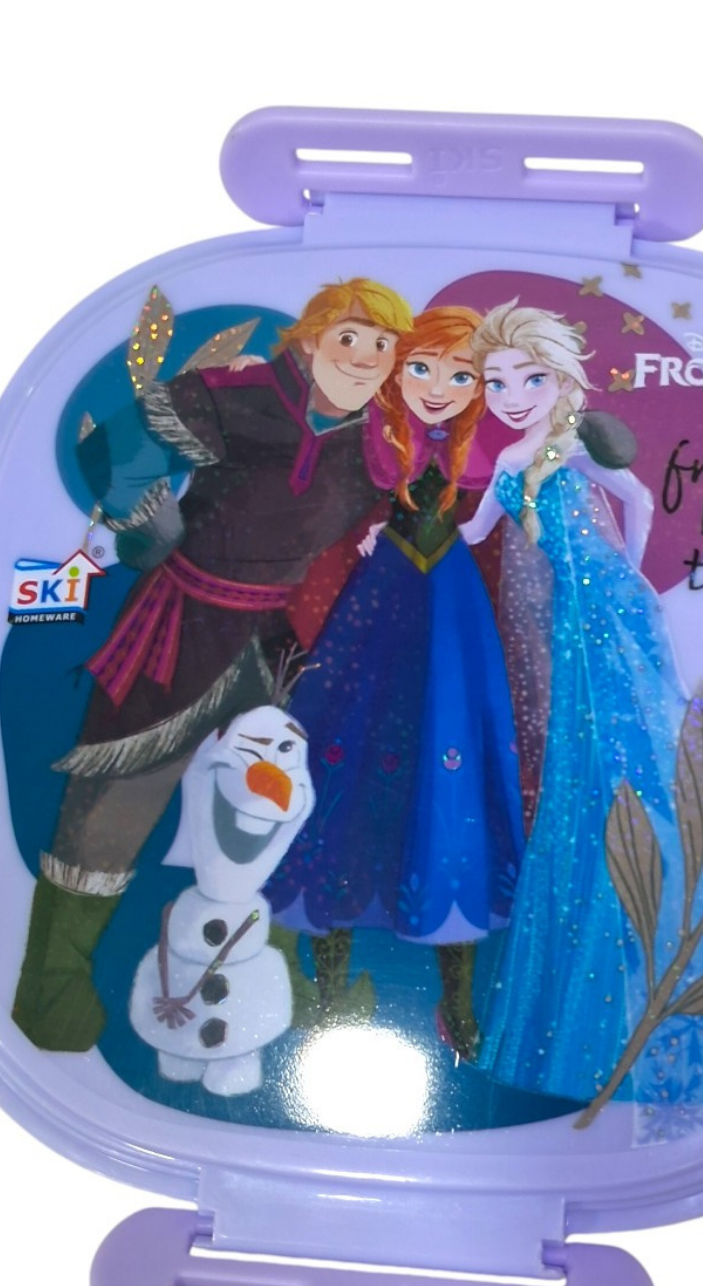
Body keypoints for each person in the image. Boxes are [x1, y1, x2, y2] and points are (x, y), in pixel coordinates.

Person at [11, 278, 413, 1052]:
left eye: (383, 345)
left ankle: (275, 985)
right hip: (181, 623)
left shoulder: (375, 448)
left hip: (279, 643)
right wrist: (147, 518)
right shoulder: (243, 396)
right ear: (311, 341)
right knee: (115, 801)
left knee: (280, 811)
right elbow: (115, 446)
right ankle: (50, 987)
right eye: (349, 337)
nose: (365, 357)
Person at [459, 302, 703, 1107]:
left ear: (562, 382)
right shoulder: (511, 459)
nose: (512, 396)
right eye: (497, 383)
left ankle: (661, 890)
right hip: (565, 622)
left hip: (612, 612)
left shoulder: (572, 445)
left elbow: (638, 498)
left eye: (530, 379)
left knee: (634, 751)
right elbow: (475, 529)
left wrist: (630, 570)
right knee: (582, 763)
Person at [264, 307, 524, 1057]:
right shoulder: (372, 438)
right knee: (343, 778)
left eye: (460, 374)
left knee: (452, 777)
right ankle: (330, 988)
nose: (438, 387)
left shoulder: (493, 449)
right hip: (375, 613)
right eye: (421, 368)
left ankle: (457, 999)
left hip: (451, 621)